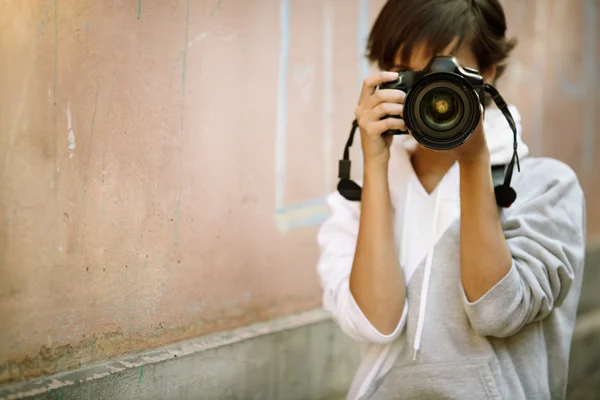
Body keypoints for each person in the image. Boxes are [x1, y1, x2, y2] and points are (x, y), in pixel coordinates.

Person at [316, 0, 587, 399]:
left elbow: (499, 313)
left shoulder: (547, 187)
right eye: (408, 74)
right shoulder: (357, 199)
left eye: (441, 74)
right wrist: (375, 164)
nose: (430, 93)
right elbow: (377, 324)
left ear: (487, 73)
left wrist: (473, 158)